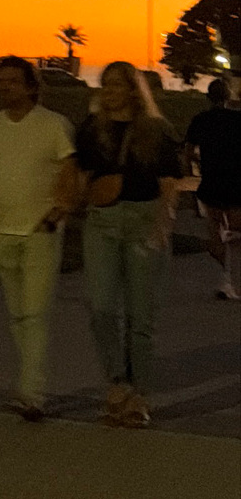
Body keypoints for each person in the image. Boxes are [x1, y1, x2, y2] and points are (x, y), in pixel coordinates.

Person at [74, 61, 184, 428]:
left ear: (134, 90)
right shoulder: (93, 129)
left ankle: (139, 395)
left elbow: (170, 183)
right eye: (105, 84)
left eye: (117, 85)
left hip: (144, 221)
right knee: (102, 308)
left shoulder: (156, 130)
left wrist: (162, 226)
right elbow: (80, 175)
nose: (109, 91)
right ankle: (117, 382)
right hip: (103, 224)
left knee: (141, 317)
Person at [0, 57, 78, 420]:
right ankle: (27, 385)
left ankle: (33, 393)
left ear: (31, 86)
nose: (3, 87)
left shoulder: (54, 124)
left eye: (12, 81)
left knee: (34, 313)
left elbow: (70, 172)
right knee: (17, 315)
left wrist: (57, 212)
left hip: (39, 234)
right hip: (2, 233)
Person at [183, 76, 241, 302]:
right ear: (228, 96)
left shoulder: (200, 120)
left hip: (211, 181)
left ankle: (227, 277)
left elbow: (188, 153)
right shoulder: (237, 119)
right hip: (235, 181)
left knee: (214, 231)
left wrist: (191, 172)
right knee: (236, 229)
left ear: (208, 97)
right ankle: (232, 277)